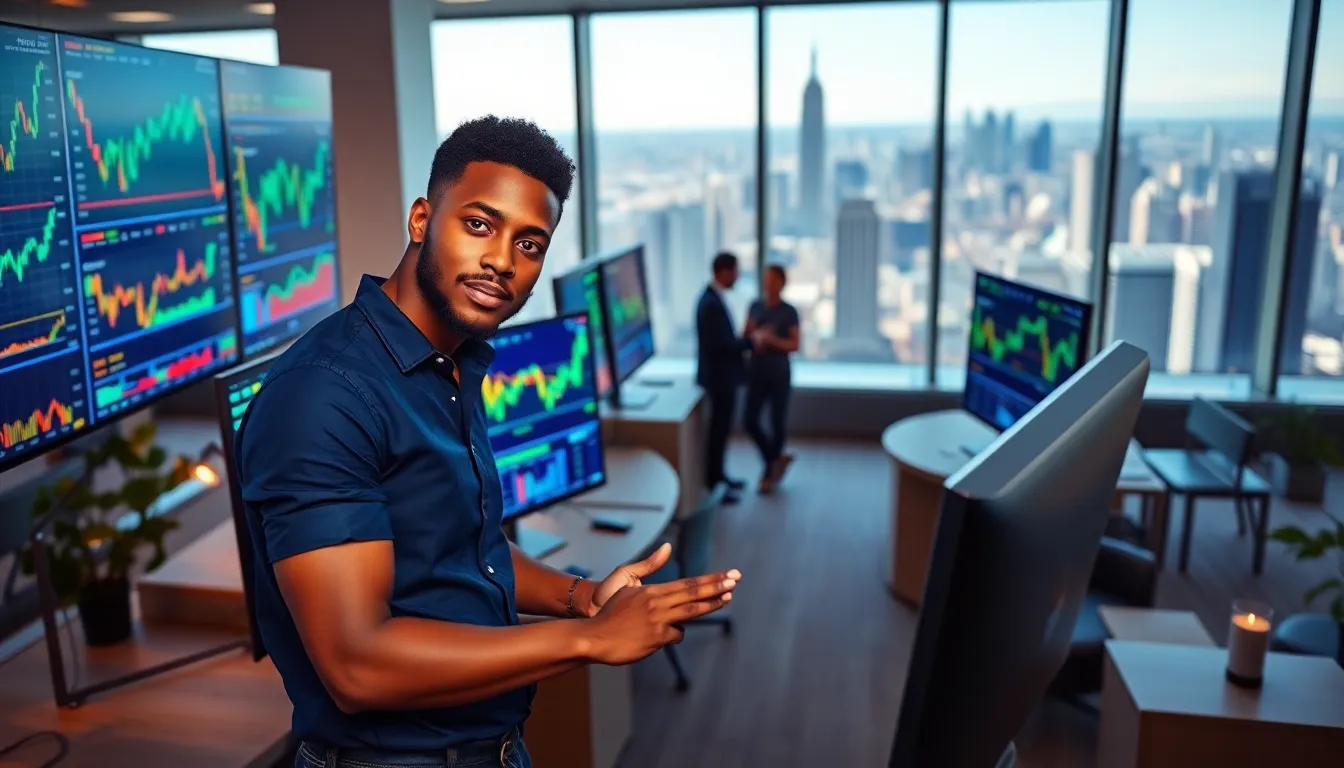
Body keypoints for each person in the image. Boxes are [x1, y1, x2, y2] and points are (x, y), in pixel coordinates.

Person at [234, 116, 740, 768]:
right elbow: (355, 666)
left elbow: (467, 546)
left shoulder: (450, 363)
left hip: (490, 748)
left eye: (529, 244)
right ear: (422, 219)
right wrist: (585, 640)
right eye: (479, 225)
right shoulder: (323, 397)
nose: (502, 260)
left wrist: (582, 598)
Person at [695, 252, 766, 505]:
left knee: (721, 431)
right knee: (718, 432)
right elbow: (722, 345)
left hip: (721, 378)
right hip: (719, 380)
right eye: (735, 271)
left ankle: (720, 477)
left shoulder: (712, 299)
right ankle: (715, 483)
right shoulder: (711, 304)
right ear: (723, 271)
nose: (737, 276)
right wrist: (751, 341)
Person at [742, 264, 800, 493]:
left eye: (773, 280)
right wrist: (754, 334)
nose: (768, 284)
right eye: (766, 279)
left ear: (782, 284)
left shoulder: (789, 312)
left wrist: (770, 340)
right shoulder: (755, 306)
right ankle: (774, 459)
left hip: (778, 373)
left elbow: (794, 345)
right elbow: (745, 334)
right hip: (756, 372)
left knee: (777, 423)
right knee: (749, 420)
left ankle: (768, 472)